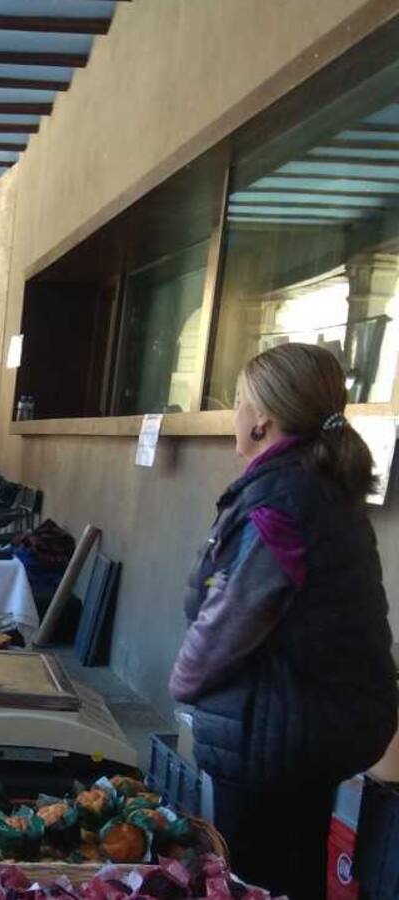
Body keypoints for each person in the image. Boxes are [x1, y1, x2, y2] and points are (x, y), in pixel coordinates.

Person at [168, 343, 396, 900]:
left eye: (240, 401)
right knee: (290, 867)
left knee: (256, 877)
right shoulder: (314, 484)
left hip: (275, 736)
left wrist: (183, 682)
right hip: (307, 728)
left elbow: (233, 616)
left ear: (263, 418)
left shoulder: (283, 498)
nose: (236, 413)